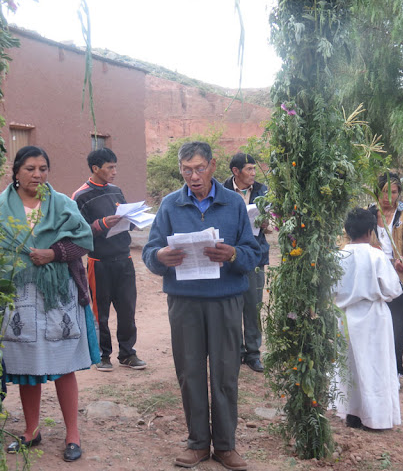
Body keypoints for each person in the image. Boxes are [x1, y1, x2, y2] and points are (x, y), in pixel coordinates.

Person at [142, 141, 260, 470]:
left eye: (198, 168)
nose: (193, 176)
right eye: (186, 170)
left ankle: (225, 446)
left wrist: (233, 254)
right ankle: (197, 444)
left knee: (225, 374)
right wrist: (161, 257)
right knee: (190, 373)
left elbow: (253, 253)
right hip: (185, 303)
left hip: (225, 300)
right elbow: (149, 253)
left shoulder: (234, 204)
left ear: (212, 166)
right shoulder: (170, 206)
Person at [0, 146, 100, 462]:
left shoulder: (62, 204)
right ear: (15, 172)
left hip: (58, 295)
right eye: (30, 168)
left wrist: (54, 254)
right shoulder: (2, 208)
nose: (38, 174)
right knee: (27, 365)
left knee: (63, 364)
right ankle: (31, 430)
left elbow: (84, 241)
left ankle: (72, 434)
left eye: (43, 168)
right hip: (18, 296)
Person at [72, 147, 146, 372]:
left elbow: (124, 217)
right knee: (99, 312)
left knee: (127, 308)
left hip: (124, 259)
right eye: (110, 167)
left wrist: (133, 220)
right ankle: (103, 355)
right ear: (95, 168)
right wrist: (101, 224)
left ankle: (128, 353)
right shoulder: (80, 196)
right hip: (99, 262)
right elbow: (78, 232)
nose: (114, 171)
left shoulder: (115, 190)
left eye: (115, 167)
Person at [333, 208, 403, 430]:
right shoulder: (377, 256)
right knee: (376, 367)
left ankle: (352, 413)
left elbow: (330, 290)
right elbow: (393, 290)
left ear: (347, 231)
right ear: (371, 231)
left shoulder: (337, 256)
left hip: (346, 316)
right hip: (374, 317)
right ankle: (377, 418)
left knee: (351, 365)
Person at [368, 172, 403, 376]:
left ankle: (396, 369)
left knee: (398, 323)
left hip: (399, 277)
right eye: (384, 191)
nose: (389, 196)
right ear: (376, 192)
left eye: (394, 192)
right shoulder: (368, 214)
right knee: (373, 322)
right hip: (372, 277)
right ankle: (374, 367)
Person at [223, 153, 269, 373]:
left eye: (254, 169)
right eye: (249, 169)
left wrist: (268, 222)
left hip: (254, 255)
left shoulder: (263, 191)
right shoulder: (221, 190)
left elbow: (272, 224)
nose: (253, 174)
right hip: (228, 255)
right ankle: (235, 352)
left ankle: (253, 353)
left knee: (253, 305)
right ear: (235, 171)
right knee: (231, 306)